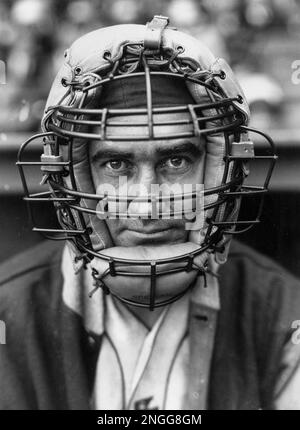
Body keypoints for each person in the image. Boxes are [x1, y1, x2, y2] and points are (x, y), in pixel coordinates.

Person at [1, 15, 300, 410]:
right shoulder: (10, 315)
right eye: (116, 165)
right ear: (76, 176)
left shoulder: (280, 313)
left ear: (222, 169)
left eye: (175, 161)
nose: (145, 205)